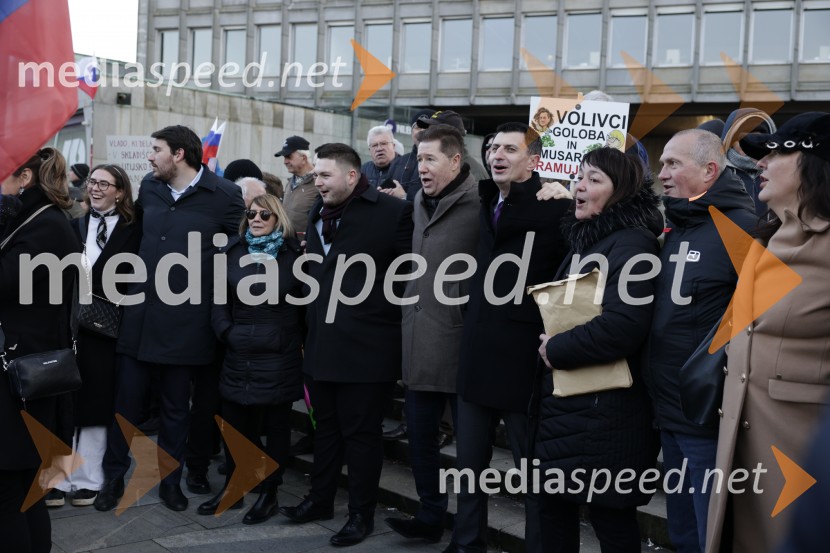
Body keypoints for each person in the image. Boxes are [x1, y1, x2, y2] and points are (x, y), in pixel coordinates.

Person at [94, 125, 244, 513]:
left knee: (177, 410)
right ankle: (112, 480)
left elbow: (233, 254)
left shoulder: (226, 196)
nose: (149, 156)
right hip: (139, 318)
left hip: (187, 324)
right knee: (125, 407)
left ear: (178, 154)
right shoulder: (150, 187)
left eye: (156, 149)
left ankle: (170, 483)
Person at [706, 112, 830, 553]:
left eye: (776, 152)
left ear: (812, 164)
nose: (761, 163)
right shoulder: (767, 239)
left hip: (802, 470)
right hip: (741, 459)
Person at [279, 143, 414, 547]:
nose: (316, 182)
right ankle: (320, 500)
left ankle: (360, 515)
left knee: (361, 437)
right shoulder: (320, 211)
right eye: (315, 175)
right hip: (321, 344)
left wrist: (378, 315)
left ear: (352, 176)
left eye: (324, 175)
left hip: (368, 349)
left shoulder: (392, 212)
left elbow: (411, 275)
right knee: (326, 432)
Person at [533, 147, 663, 552]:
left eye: (594, 179)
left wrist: (558, 348)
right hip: (571, 407)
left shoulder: (633, 244)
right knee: (555, 510)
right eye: (579, 177)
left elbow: (623, 326)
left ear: (619, 191)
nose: (580, 186)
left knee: (610, 515)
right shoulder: (587, 242)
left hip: (607, 413)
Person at [450, 122, 571, 553]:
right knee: (468, 468)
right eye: (493, 148)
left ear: (533, 161)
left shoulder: (556, 208)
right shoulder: (485, 199)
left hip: (524, 365)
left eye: (509, 149)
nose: (496, 155)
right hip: (477, 358)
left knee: (532, 474)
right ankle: (466, 544)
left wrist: (570, 195)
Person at [643, 128, 757, 553]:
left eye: (673, 163)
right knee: (683, 532)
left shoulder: (743, 227)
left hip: (706, 415)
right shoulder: (677, 224)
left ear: (709, 170)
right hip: (668, 409)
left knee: (709, 533)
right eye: (663, 163)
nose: (662, 172)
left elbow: (764, 317)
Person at [384, 124, 480, 544]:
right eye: (418, 159)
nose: (420, 167)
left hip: (462, 344)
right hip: (419, 337)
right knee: (421, 438)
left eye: (430, 159)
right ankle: (430, 514)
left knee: (470, 450)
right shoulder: (419, 200)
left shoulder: (484, 200)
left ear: (456, 161)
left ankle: (469, 527)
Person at [197, 193, 304, 525]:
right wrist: (227, 332)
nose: (256, 219)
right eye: (251, 214)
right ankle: (235, 485)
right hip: (238, 349)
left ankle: (270, 493)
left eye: (265, 215)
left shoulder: (293, 256)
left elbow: (304, 306)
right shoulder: (232, 252)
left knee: (276, 428)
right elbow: (218, 301)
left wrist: (290, 340)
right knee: (234, 425)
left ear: (278, 219)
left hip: (278, 353)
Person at [0, 148, 80, 553]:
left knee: (10, 493)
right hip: (24, 371)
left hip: (24, 378)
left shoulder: (45, 227)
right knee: (20, 490)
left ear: (25, 178)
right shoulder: (32, 222)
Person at [50, 164, 142, 508]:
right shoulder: (74, 225)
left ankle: (89, 478)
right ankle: (58, 478)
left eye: (105, 183)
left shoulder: (135, 230)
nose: (96, 188)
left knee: (97, 401)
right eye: (93, 182)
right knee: (63, 399)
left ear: (121, 191)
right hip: (70, 325)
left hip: (108, 329)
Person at [275, 135, 318, 233]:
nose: (285, 162)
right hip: (287, 244)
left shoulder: (319, 183)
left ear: (303, 158)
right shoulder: (290, 182)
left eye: (288, 156)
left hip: (306, 246)